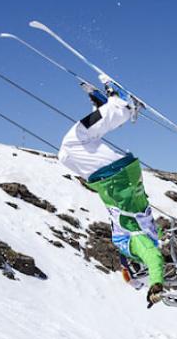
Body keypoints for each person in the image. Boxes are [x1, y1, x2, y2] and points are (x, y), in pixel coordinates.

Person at [58, 79, 165, 306]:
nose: (122, 270)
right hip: (116, 177)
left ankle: (103, 110)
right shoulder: (137, 246)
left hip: (111, 179)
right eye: (126, 274)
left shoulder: (140, 240)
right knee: (72, 144)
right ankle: (121, 106)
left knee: (66, 156)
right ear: (136, 270)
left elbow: (153, 233)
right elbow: (153, 257)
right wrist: (156, 283)